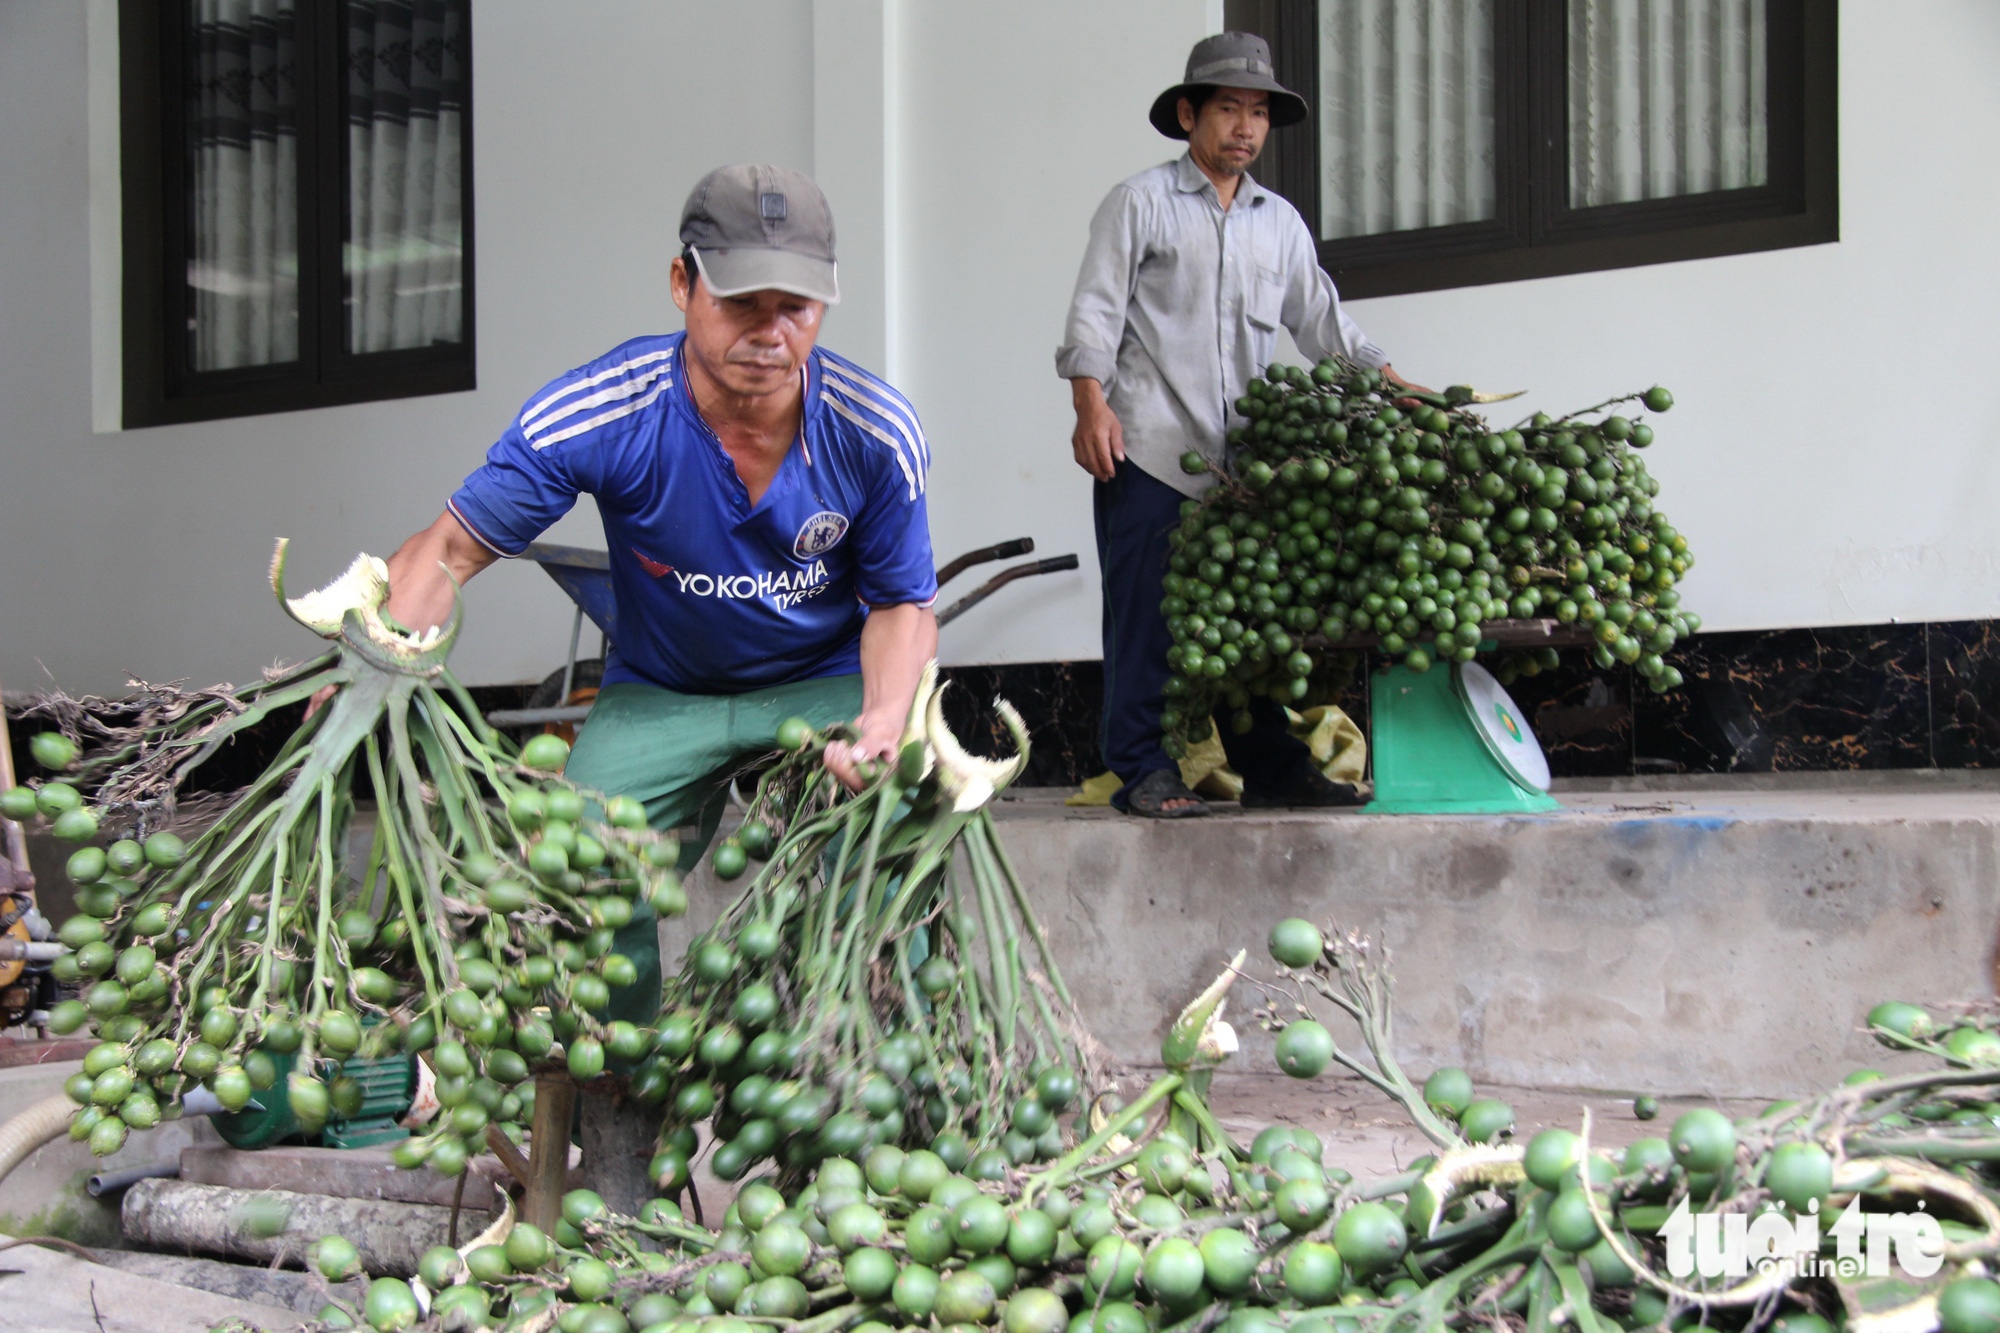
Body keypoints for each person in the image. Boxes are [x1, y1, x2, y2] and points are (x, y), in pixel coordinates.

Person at [362, 164, 938, 1021]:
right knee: (584, 866)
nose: (770, 332)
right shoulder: (606, 410)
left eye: (796, 308)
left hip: (823, 678)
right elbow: (449, 549)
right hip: (663, 688)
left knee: (885, 837)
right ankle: (622, 1098)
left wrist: (886, 723)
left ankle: (889, 1077)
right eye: (742, 302)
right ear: (683, 284)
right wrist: (369, 668)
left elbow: (901, 604)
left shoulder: (874, 432)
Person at [1056, 32, 1429, 819]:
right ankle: (1141, 768)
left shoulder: (1280, 224)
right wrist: (1090, 404)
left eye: (1258, 113)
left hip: (1248, 468)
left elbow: (1324, 324)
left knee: (1251, 622)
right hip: (1151, 448)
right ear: (1190, 113)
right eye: (1229, 108)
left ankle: (1271, 765)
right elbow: (1094, 312)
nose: (1246, 128)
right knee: (1147, 617)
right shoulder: (1140, 203)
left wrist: (1391, 384)